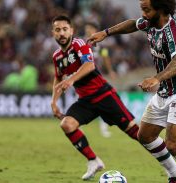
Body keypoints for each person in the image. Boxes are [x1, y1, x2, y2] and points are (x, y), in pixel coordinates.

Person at [89, 0, 176, 182]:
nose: (143, 14)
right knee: (145, 136)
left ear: (161, 8)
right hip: (166, 91)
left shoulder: (174, 31)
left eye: (147, 10)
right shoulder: (150, 22)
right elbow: (132, 24)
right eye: (142, 9)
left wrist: (156, 78)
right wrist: (106, 32)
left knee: (174, 145)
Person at [50, 15, 140, 180]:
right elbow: (58, 77)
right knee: (67, 124)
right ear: (53, 33)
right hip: (86, 101)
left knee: (137, 134)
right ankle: (93, 160)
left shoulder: (79, 44)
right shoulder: (57, 56)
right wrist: (54, 101)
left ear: (72, 31)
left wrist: (71, 79)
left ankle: (168, 160)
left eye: (64, 29)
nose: (61, 33)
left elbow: (89, 65)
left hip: (103, 94)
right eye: (57, 30)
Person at [84, 21, 117, 138]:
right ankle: (77, 124)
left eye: (90, 29)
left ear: (95, 30)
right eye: (87, 29)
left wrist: (110, 71)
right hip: (84, 78)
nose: (88, 31)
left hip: (97, 77)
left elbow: (105, 57)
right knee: (84, 102)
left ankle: (104, 128)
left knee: (104, 101)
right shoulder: (83, 43)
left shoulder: (101, 45)